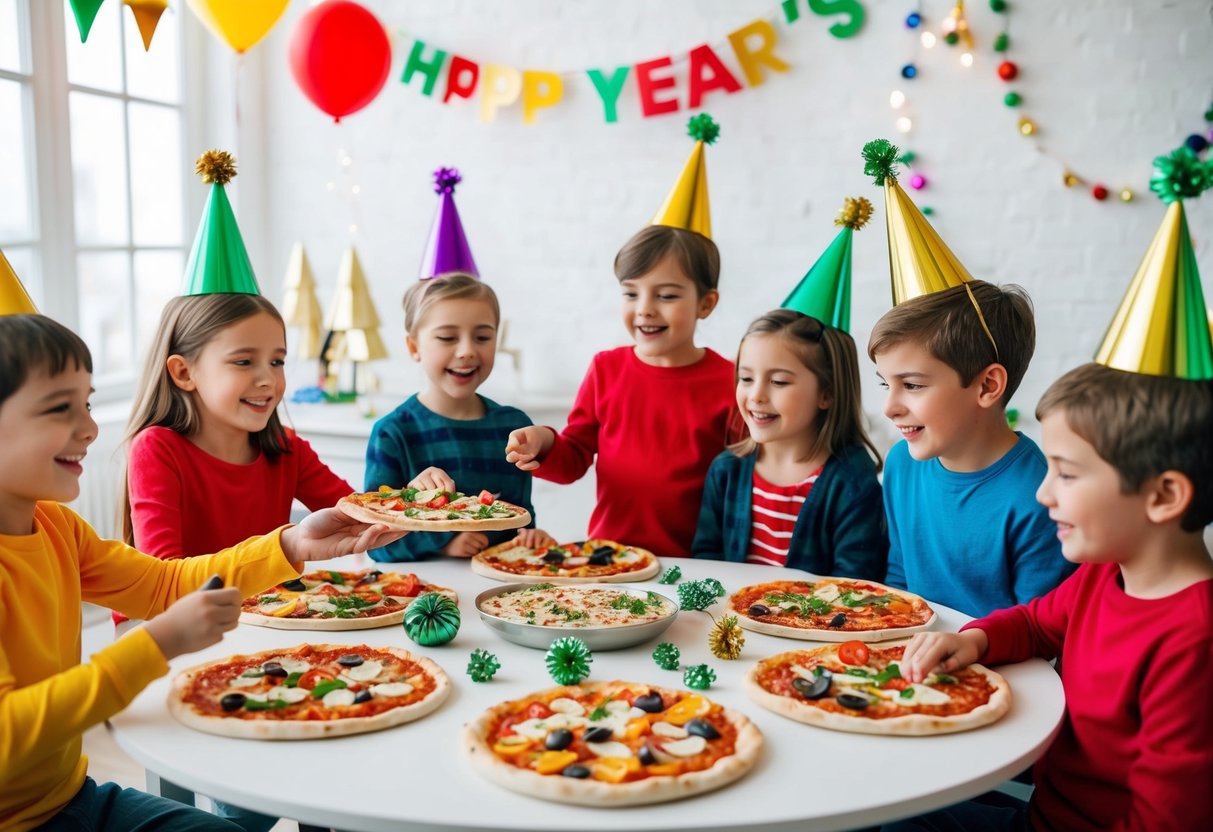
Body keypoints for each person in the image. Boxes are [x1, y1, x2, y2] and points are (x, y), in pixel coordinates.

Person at [0, 313, 405, 832]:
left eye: (88, 403)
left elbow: (162, 584)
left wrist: (293, 541)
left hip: (69, 798)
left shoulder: (56, 525)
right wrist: (156, 645)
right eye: (60, 408)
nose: (90, 429)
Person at [889, 363, 1213, 831]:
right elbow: (1036, 624)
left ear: (1163, 496)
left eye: (1067, 475)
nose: (1043, 494)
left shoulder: (1194, 641)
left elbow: (1164, 822)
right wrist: (974, 641)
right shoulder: (1102, 574)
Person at [504, 224, 736, 557]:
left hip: (698, 562)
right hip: (610, 557)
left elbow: (746, 483)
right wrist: (543, 441)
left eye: (667, 295)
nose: (645, 308)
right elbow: (574, 457)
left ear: (706, 303)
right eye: (631, 293)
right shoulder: (606, 369)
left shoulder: (730, 382)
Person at [869, 280, 1073, 617]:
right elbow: (899, 583)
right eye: (885, 383)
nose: (889, 407)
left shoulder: (1041, 496)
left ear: (987, 386)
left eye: (912, 385)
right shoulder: (901, 463)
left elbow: (1039, 632)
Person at [122, 293, 353, 560]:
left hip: (254, 602)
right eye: (244, 362)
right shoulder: (157, 448)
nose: (268, 379)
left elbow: (360, 515)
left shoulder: (286, 448)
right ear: (184, 373)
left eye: (277, 362)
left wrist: (411, 495)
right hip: (178, 603)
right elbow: (164, 579)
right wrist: (282, 549)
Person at [365, 273, 551, 561]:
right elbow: (376, 542)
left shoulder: (514, 427)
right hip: (424, 595)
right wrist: (442, 543)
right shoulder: (393, 433)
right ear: (414, 347)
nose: (467, 351)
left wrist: (530, 538)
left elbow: (520, 522)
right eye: (448, 337)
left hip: (498, 592)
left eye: (482, 337)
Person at [692, 309, 885, 579]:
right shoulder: (726, 470)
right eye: (746, 378)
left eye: (778, 381)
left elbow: (856, 583)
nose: (756, 395)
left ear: (827, 394)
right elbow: (706, 562)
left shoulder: (851, 481)